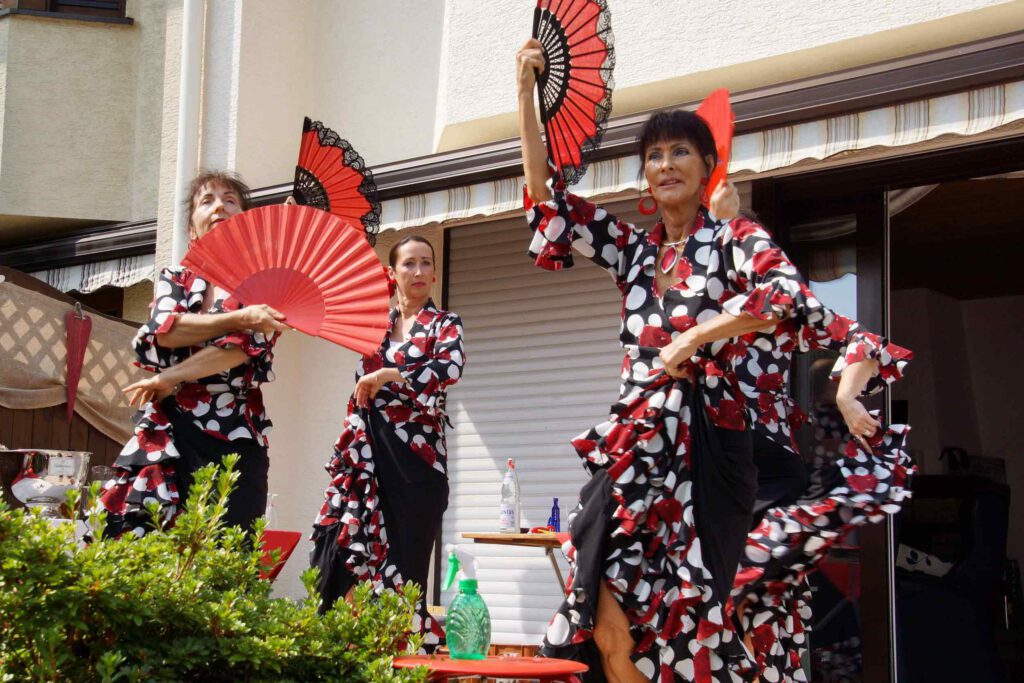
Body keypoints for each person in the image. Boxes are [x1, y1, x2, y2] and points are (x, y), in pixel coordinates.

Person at [516, 39, 911, 682]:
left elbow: (784, 300)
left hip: (716, 454)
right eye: (653, 155)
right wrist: (525, 100)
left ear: (707, 166)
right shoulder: (636, 256)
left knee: (698, 622)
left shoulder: (730, 240)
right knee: (597, 595)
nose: (665, 164)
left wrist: (696, 338)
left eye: (678, 152)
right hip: (641, 445)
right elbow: (549, 205)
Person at [100, 171, 289, 538]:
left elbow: (240, 350)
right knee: (151, 543)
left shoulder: (266, 281)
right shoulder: (176, 278)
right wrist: (240, 317)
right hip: (171, 431)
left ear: (246, 221)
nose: (220, 205)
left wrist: (170, 377)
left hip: (237, 434)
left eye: (230, 199)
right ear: (192, 229)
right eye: (207, 200)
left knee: (229, 553)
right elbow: (166, 331)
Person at [310, 235, 465, 650]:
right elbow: (324, 304)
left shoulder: (447, 324)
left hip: (417, 466)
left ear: (434, 273)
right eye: (409, 264)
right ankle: (350, 660)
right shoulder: (373, 323)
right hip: (368, 459)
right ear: (392, 273)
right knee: (350, 561)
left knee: (405, 575)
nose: (419, 272)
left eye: (426, 263)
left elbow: (448, 368)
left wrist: (388, 375)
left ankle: (402, 665)